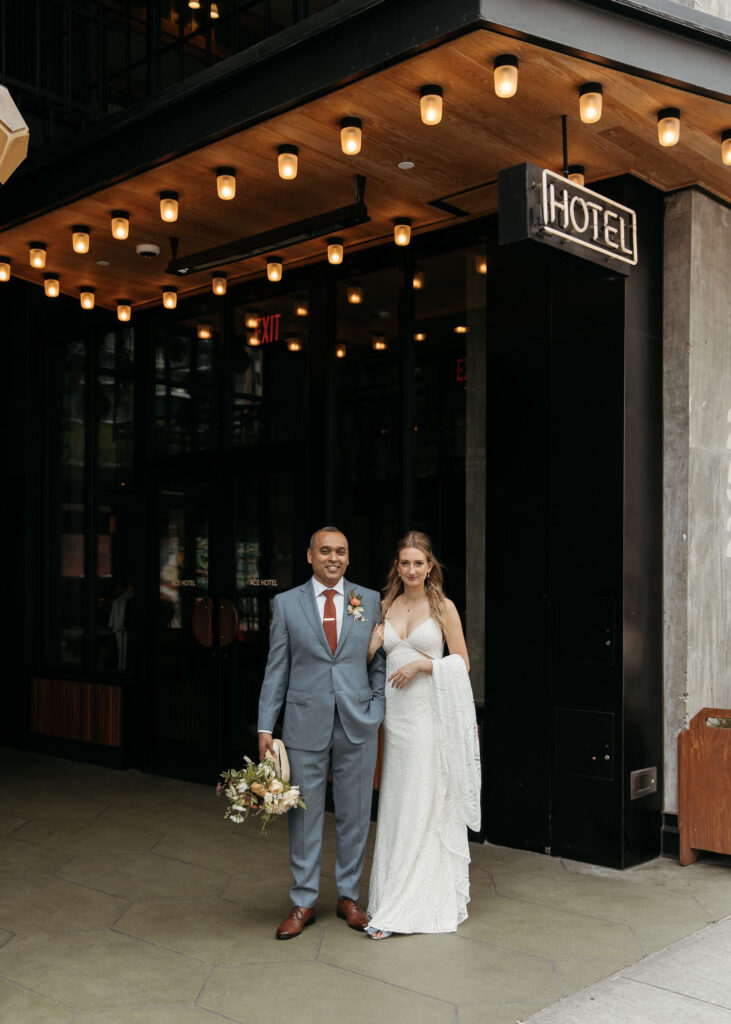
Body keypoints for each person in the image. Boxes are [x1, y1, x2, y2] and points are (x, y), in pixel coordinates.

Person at [257, 527, 386, 939]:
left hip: (357, 722)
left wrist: (377, 705)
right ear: (309, 556)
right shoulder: (286, 603)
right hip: (303, 725)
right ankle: (304, 901)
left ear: (349, 558)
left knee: (355, 814)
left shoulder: (368, 600)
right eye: (326, 551)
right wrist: (265, 725)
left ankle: (349, 897)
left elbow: (378, 660)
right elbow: (277, 669)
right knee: (305, 816)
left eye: (342, 552)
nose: (334, 557)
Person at [366, 530, 481, 939]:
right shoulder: (385, 605)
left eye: (419, 562)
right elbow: (367, 663)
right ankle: (390, 897)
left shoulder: (443, 607)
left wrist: (422, 666)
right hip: (396, 722)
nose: (412, 569)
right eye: (405, 562)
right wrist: (371, 647)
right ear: (397, 566)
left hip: (429, 719)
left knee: (424, 802)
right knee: (398, 805)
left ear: (430, 566)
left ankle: (409, 906)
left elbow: (462, 662)